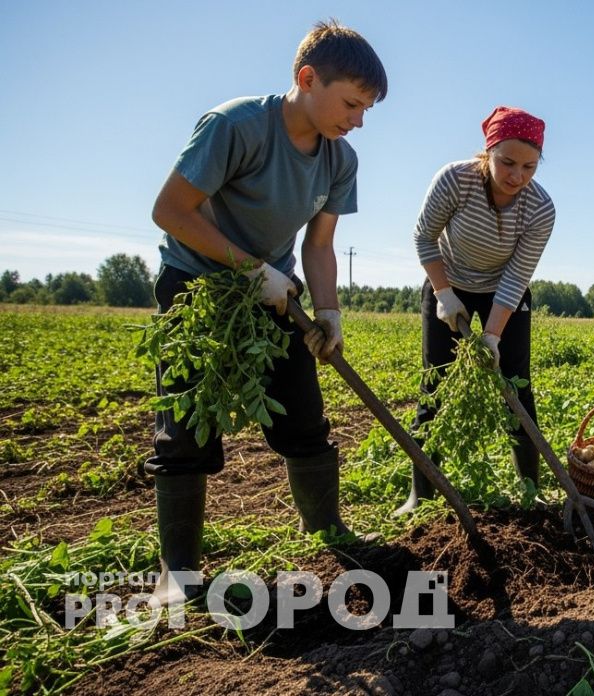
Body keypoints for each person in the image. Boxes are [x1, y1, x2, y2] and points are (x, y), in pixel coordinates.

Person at [146, 20, 387, 603]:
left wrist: (328, 312)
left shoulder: (340, 160)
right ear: (307, 79)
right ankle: (178, 572)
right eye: (351, 104)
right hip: (199, 286)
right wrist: (250, 269)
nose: (357, 121)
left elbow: (320, 245)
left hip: (277, 289)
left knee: (303, 416)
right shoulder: (235, 126)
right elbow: (171, 211)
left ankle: (326, 531)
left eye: (366, 110)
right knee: (184, 429)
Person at [396, 106, 556, 515]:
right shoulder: (455, 179)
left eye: (529, 166)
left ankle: (530, 490)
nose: (517, 176)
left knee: (516, 385)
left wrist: (492, 335)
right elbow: (424, 237)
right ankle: (422, 495)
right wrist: (444, 293)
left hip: (504, 291)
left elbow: (517, 276)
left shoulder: (540, 208)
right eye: (506, 162)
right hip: (448, 281)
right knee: (436, 386)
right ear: (488, 152)